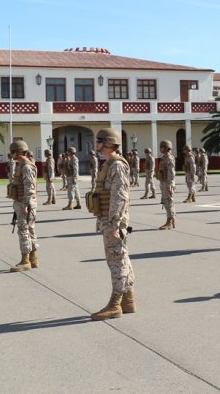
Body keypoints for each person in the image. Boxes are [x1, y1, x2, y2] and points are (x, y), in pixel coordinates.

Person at [89, 128, 136, 321]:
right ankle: (128, 300)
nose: (96, 144)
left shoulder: (116, 165)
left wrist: (116, 224)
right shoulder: (109, 164)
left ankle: (115, 304)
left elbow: (119, 196)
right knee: (121, 258)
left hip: (113, 222)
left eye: (99, 141)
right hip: (108, 220)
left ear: (108, 143)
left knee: (116, 260)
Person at [8, 140, 39, 272]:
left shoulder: (26, 166)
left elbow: (29, 187)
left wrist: (25, 205)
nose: (11, 155)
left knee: (24, 230)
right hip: (23, 202)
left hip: (25, 203)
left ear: (18, 152)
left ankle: (25, 260)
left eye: (12, 152)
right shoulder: (21, 165)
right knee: (29, 230)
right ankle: (33, 258)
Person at [157, 140, 177, 230]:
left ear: (166, 148)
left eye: (162, 147)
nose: (160, 148)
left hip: (167, 183)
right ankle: (171, 220)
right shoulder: (164, 157)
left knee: (169, 202)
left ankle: (170, 221)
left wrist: (170, 184)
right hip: (164, 182)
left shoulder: (169, 158)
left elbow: (171, 172)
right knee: (166, 202)